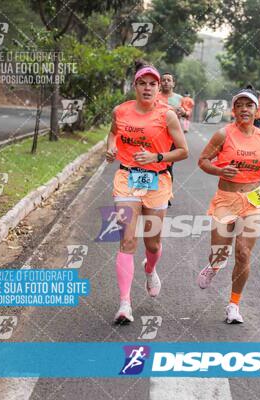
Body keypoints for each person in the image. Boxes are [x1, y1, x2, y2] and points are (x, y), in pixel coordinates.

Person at [105, 60, 189, 324]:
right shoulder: (121, 111)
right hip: (127, 178)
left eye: (153, 84)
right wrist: (110, 148)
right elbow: (112, 134)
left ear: (158, 88)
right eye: (143, 83)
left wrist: (156, 155)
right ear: (135, 86)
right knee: (127, 241)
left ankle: (150, 269)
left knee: (152, 243)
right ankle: (124, 304)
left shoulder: (167, 115)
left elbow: (183, 151)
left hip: (157, 180)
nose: (148, 88)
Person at [197, 88, 260, 324]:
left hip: (253, 200)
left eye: (249, 106)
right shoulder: (222, 135)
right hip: (226, 199)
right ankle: (214, 266)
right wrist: (219, 169)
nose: (244, 109)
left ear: (256, 111)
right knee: (219, 253)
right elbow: (202, 161)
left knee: (244, 253)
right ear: (234, 110)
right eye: (240, 106)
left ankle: (234, 305)